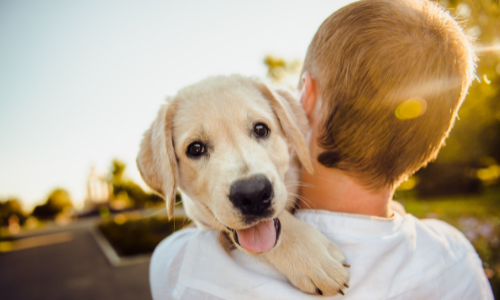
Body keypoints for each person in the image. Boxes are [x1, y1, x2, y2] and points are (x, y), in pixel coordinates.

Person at [149, 0, 494, 299]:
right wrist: (286, 238)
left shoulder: (181, 269)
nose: (249, 181)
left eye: (260, 130)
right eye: (197, 148)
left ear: (305, 99)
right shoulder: (456, 257)